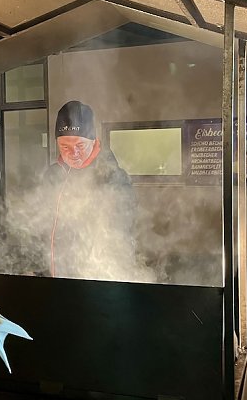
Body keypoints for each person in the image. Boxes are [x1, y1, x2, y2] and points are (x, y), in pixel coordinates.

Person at [27, 100, 153, 282]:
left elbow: (122, 234)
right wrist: (37, 268)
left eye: (79, 146)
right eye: (65, 147)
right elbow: (40, 225)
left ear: (93, 141)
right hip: (54, 281)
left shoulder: (112, 177)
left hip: (96, 278)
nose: (73, 153)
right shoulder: (53, 175)